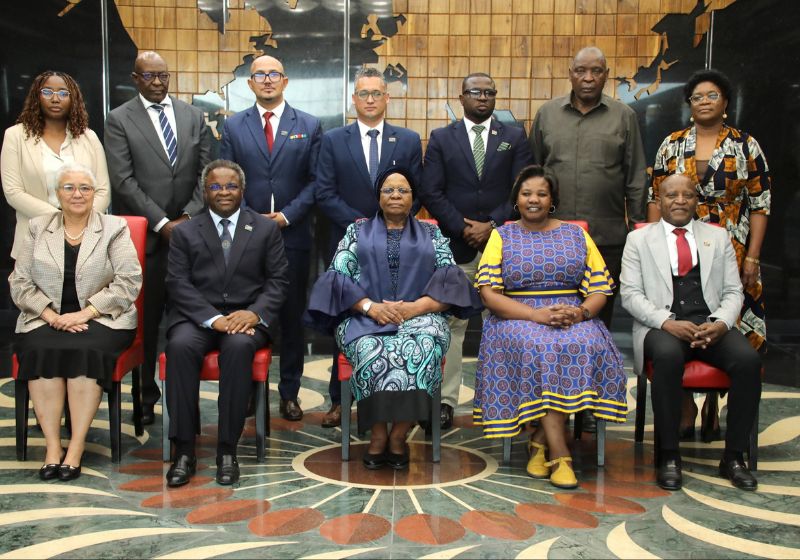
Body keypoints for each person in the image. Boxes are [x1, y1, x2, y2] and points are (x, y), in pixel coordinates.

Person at [306, 166, 480, 470]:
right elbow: (337, 277)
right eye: (389, 190)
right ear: (378, 196)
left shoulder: (432, 232)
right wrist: (370, 307)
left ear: (414, 198)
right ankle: (376, 435)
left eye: (403, 190)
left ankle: (398, 435)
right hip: (366, 316)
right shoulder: (356, 231)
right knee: (370, 350)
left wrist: (414, 308)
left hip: (421, 316)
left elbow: (451, 283)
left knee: (423, 347)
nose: (396, 195)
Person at [473, 165, 627, 489]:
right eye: (527, 193)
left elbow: (600, 287)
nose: (534, 199)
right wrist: (535, 315)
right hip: (516, 317)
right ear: (516, 199)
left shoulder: (576, 234)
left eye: (542, 194)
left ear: (552, 199)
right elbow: (488, 294)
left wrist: (581, 313)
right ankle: (561, 454)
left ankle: (540, 442)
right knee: (543, 346)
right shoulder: (501, 236)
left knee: (582, 343)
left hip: (572, 312)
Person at [648, 69, 771, 441]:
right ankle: (684, 406)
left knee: (729, 330)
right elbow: (656, 199)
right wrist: (654, 247)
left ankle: (716, 405)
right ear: (689, 104)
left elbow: (761, 204)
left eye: (712, 95)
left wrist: (751, 258)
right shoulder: (671, 144)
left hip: (731, 251)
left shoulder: (745, 145)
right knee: (682, 321)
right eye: (697, 96)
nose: (704, 101)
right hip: (678, 249)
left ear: (726, 103)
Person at [620, 174, 761, 492]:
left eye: (687, 195)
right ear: (659, 200)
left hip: (711, 324)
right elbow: (630, 294)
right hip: (663, 325)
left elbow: (733, 291)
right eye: (672, 195)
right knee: (668, 357)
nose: (680, 201)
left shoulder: (717, 236)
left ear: (697, 201)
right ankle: (669, 455)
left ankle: (734, 457)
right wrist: (668, 322)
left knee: (748, 361)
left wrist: (721, 324)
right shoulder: (639, 240)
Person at [9, 162, 141, 481]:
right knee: (41, 350)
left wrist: (84, 313)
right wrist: (52, 315)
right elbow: (19, 282)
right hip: (45, 318)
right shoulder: (38, 227)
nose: (77, 194)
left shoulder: (114, 228)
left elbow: (128, 280)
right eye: (69, 187)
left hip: (103, 319)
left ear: (96, 195)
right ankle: (53, 448)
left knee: (85, 352)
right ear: (57, 194)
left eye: (85, 188)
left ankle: (76, 448)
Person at [163, 160, 288, 487]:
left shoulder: (265, 228)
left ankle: (227, 450)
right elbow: (177, 283)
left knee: (238, 348)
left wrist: (255, 313)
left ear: (242, 190)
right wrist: (213, 319)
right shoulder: (185, 231)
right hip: (197, 317)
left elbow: (278, 282)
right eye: (215, 186)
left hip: (247, 318)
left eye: (231, 185)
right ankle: (184, 451)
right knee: (179, 347)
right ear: (204, 191)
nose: (223, 192)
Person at [418, 72, 533, 429]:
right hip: (457, 244)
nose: (482, 98)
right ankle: (447, 400)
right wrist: (463, 227)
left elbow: (522, 188)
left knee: (503, 322)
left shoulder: (514, 136)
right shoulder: (441, 138)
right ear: (462, 96)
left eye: (488, 92)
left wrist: (492, 226)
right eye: (475, 92)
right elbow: (430, 191)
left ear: (495, 97)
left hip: (504, 245)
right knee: (451, 324)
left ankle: (505, 399)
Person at [104, 51, 211, 426]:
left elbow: (206, 173)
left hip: (192, 238)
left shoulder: (193, 116)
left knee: (187, 324)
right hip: (145, 242)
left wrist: (186, 218)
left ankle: (186, 402)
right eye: (149, 76)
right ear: (135, 78)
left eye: (163, 75)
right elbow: (123, 180)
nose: (157, 82)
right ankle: (145, 396)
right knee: (146, 324)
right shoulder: (119, 119)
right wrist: (163, 223)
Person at [315, 66, 423, 428]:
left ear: (387, 98)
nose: (371, 99)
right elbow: (325, 192)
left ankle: (398, 403)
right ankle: (338, 399)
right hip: (348, 243)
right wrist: (364, 228)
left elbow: (414, 192)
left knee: (394, 314)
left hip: (399, 246)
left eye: (377, 93)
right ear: (354, 99)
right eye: (364, 94)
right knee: (347, 313)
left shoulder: (407, 140)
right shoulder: (332, 140)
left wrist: (386, 226)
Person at [220, 55, 321, 422]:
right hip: (245, 236)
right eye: (259, 74)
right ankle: (248, 393)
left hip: (292, 235)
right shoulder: (233, 126)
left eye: (273, 74)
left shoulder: (308, 125)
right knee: (248, 315)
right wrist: (251, 217)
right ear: (250, 83)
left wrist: (287, 215)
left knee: (291, 316)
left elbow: (316, 182)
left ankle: (290, 392)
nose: (266, 80)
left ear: (285, 80)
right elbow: (226, 179)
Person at [529, 46, 647, 329]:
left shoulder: (624, 116)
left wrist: (638, 227)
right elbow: (532, 174)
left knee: (598, 315)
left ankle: (594, 370)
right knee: (550, 312)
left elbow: (636, 176)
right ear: (570, 75)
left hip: (606, 237)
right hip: (551, 236)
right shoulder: (547, 114)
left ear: (606, 75)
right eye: (581, 71)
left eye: (596, 71)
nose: (588, 78)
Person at [2, 70, 110, 260]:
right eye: (47, 92)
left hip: (85, 239)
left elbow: (103, 191)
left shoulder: (89, 137)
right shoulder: (15, 136)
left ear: (73, 99)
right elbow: (13, 192)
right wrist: (61, 219)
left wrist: (81, 221)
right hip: (34, 239)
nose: (55, 98)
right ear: (37, 96)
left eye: (63, 93)